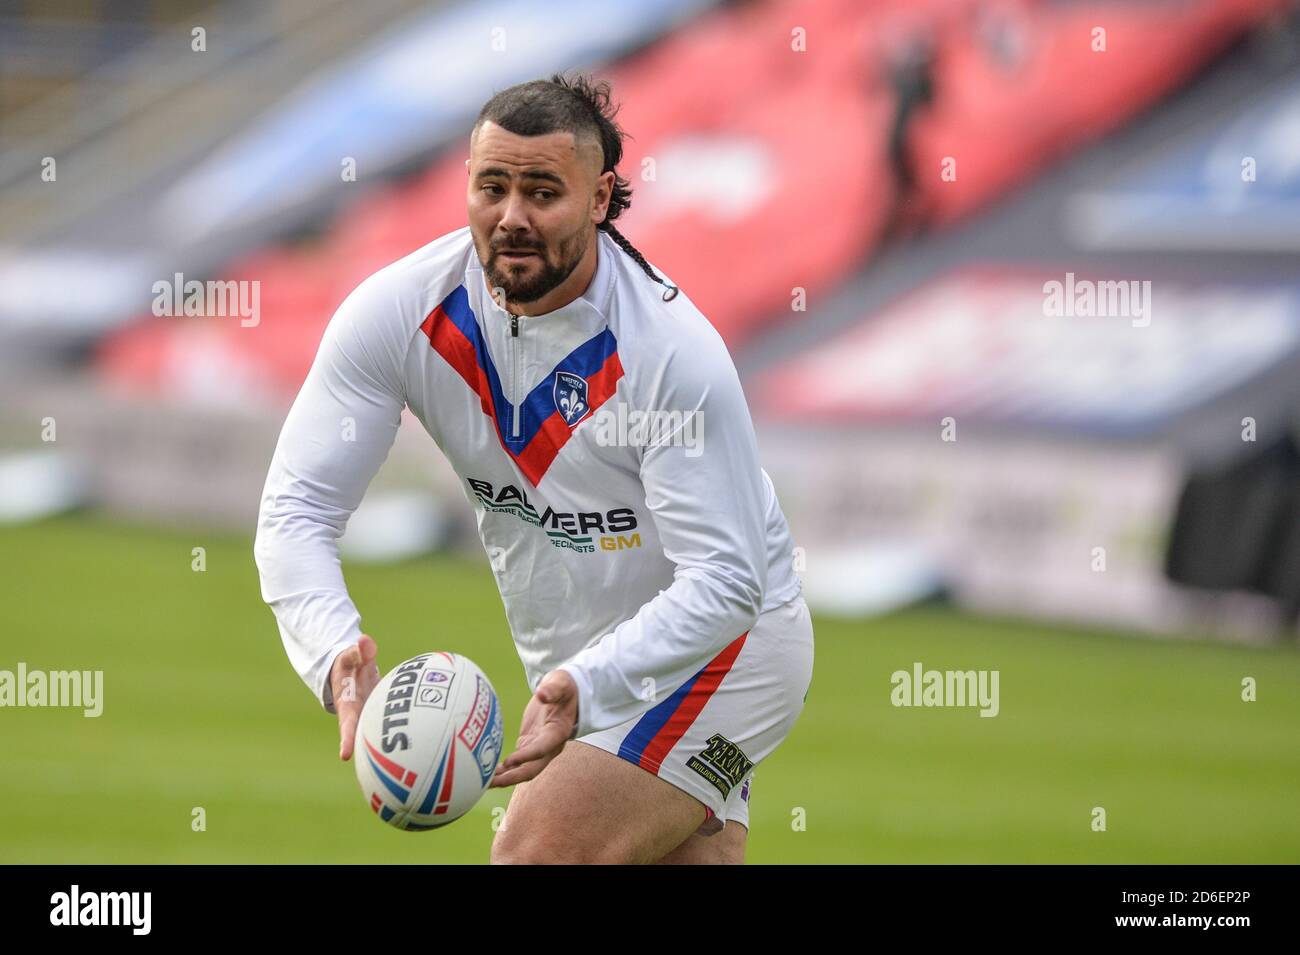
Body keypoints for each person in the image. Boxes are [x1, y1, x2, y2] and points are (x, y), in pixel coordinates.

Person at [254, 73, 814, 864]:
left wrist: (586, 684)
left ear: (599, 196)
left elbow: (726, 581)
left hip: (725, 652)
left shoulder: (671, 355)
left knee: (532, 853)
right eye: (493, 187)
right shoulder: (396, 314)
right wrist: (330, 648)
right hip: (577, 673)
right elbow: (295, 512)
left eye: (543, 191)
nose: (511, 217)